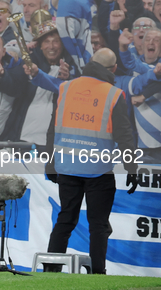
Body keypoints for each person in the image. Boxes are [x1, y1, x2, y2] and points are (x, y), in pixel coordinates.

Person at [45, 48, 139, 275]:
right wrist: (131, 168)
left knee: (65, 219)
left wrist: (50, 163)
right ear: (113, 69)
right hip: (98, 170)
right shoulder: (113, 94)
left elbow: (52, 130)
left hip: (67, 166)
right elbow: (124, 136)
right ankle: (97, 274)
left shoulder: (65, 88)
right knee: (98, 225)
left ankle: (50, 271)